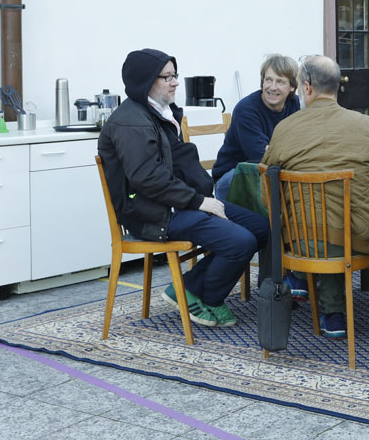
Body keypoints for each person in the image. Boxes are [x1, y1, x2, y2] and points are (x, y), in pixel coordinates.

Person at [98, 49, 269, 328]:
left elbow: (182, 160)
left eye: (174, 75)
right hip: (151, 215)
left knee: (262, 227)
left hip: (175, 204)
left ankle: (186, 287)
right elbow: (148, 178)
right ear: (146, 82)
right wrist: (200, 202)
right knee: (241, 241)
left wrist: (204, 194)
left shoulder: (159, 113)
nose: (175, 82)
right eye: (167, 77)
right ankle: (208, 298)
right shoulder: (132, 122)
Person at [261, 55, 369, 339]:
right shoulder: (367, 126)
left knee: (322, 222)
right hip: (356, 240)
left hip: (299, 243)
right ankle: (333, 313)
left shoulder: (284, 129)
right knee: (342, 222)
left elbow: (268, 196)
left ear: (306, 88)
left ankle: (328, 308)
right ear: (337, 87)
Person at [212, 54, 300, 202]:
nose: (272, 87)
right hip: (234, 177)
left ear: (292, 86)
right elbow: (261, 156)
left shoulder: (296, 105)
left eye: (280, 82)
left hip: (274, 173)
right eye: (268, 80)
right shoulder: (246, 109)